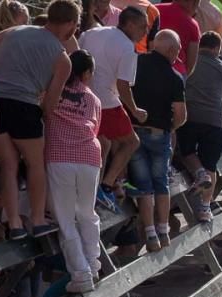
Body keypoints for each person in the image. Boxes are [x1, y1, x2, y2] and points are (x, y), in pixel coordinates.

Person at [0, 0, 77, 240]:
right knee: (35, 164)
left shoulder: (12, 32)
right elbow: (50, 105)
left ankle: (15, 222)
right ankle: (39, 220)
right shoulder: (63, 60)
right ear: (71, 24)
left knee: (8, 164)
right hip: (25, 107)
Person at [78, 6, 149, 214]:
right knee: (131, 142)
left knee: (105, 143)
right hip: (106, 101)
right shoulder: (127, 47)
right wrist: (135, 110)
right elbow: (123, 85)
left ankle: (103, 187)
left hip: (82, 96)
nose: (145, 32)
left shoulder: (92, 32)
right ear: (129, 24)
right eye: (142, 27)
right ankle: (106, 185)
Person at [45, 49, 102, 294]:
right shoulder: (93, 99)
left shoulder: (51, 92)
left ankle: (81, 273)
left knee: (66, 220)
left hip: (60, 157)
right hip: (89, 157)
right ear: (87, 73)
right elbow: (96, 128)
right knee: (87, 213)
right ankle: (93, 263)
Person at [129, 29, 186, 251]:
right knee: (160, 183)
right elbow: (181, 115)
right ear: (171, 50)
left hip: (133, 132)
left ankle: (150, 235)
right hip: (158, 133)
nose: (177, 56)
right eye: (178, 51)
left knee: (143, 186)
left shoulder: (135, 63)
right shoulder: (174, 77)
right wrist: (169, 127)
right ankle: (163, 230)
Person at [177, 30, 222, 223]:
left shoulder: (190, 62)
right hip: (216, 121)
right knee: (211, 166)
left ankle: (199, 174)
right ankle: (205, 209)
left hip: (191, 118)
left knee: (187, 151)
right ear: (216, 48)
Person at [156, 0, 201, 76]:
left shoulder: (155, 10)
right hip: (175, 72)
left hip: (148, 66)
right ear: (193, 3)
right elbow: (191, 64)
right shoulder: (193, 25)